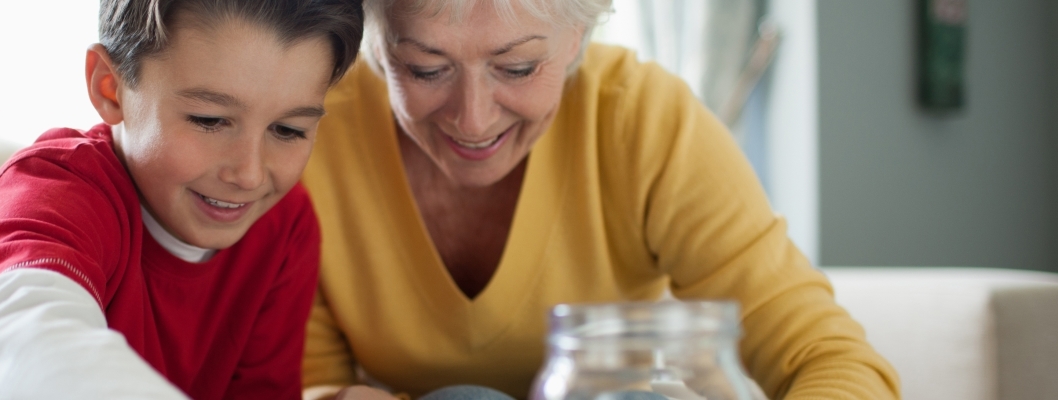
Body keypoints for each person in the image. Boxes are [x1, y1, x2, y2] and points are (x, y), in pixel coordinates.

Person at [299, 0, 900, 399]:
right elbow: (304, 381)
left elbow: (825, 356)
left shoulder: (641, 119)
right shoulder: (309, 134)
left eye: (518, 66)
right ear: (375, 48)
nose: (473, 120)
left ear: (576, 39)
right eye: (426, 69)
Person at [0, 0, 363, 398]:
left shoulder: (285, 223)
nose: (248, 174)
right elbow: (24, 338)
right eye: (209, 120)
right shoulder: (50, 191)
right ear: (111, 86)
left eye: (288, 130)